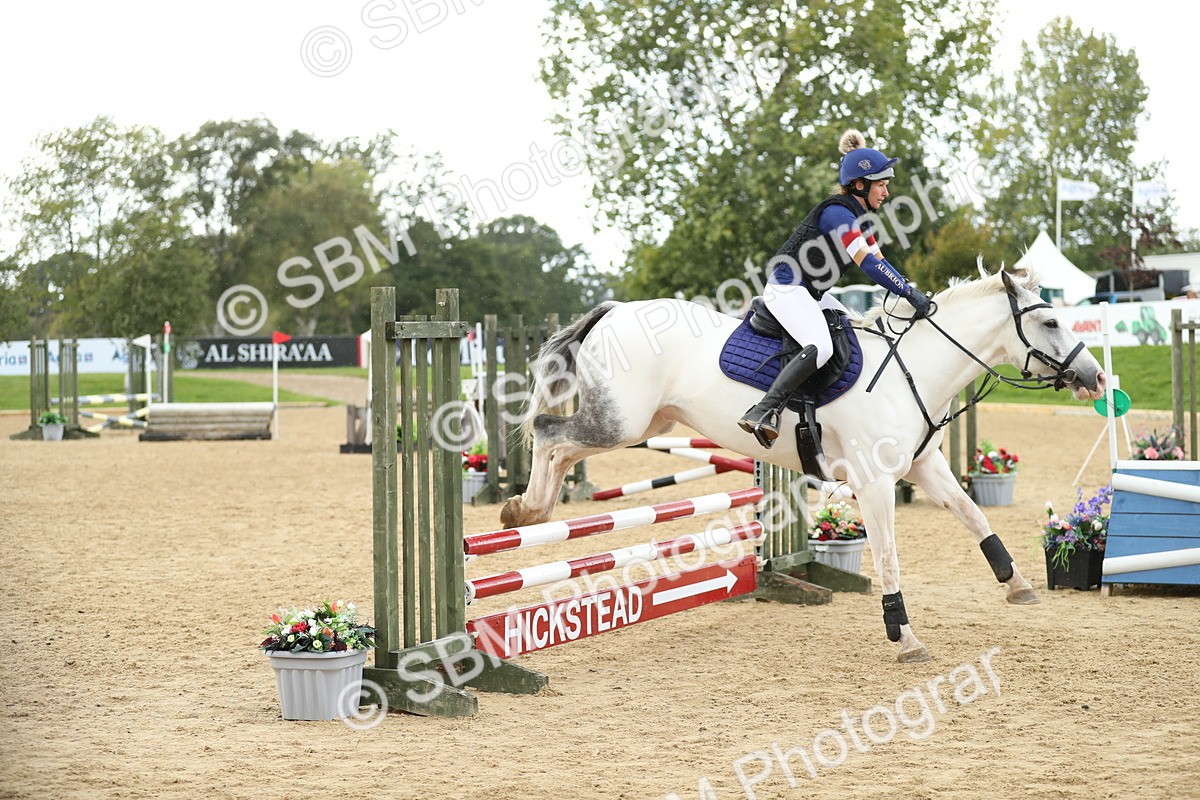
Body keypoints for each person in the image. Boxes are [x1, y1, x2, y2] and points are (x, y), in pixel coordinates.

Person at [737, 129, 932, 448]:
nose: (886, 192)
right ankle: (764, 410)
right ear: (860, 184)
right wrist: (907, 293)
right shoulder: (837, 213)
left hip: (811, 293)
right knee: (821, 346)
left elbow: (880, 260)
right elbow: (868, 265)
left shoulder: (862, 219)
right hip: (787, 288)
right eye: (881, 185)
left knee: (856, 331)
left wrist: (908, 287)